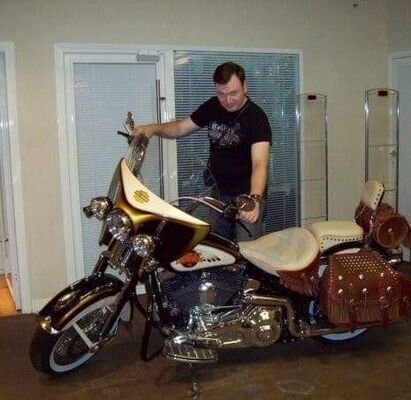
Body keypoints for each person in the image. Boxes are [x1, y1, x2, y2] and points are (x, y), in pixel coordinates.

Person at [133, 62, 271, 241]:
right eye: (221, 94)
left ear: (245, 87)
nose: (228, 100)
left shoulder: (257, 118)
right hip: (218, 195)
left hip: (247, 196)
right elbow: (180, 128)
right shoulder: (212, 106)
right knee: (217, 246)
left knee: (248, 249)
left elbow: (260, 164)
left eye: (233, 93)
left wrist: (255, 199)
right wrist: (153, 128)